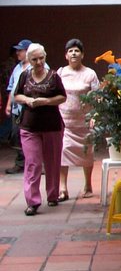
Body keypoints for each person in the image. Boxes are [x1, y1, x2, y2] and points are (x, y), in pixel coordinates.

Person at [12, 43, 66, 215]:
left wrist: (46, 101)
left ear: (45, 56)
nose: (38, 62)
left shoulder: (54, 76)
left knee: (52, 162)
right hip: (29, 126)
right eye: (34, 59)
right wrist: (27, 100)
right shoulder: (24, 75)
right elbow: (17, 95)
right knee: (33, 163)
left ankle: (52, 195)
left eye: (41, 58)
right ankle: (33, 201)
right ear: (29, 60)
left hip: (52, 126)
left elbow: (62, 97)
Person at [58, 39, 99, 200]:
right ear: (66, 55)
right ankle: (62, 188)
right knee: (62, 152)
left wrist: (95, 115)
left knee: (87, 153)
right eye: (70, 51)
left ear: (82, 54)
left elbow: (97, 97)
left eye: (77, 51)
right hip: (64, 121)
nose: (73, 53)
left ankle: (88, 186)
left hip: (84, 122)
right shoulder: (60, 73)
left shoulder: (90, 74)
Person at [5, 39, 37, 174]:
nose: (17, 53)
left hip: (30, 108)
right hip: (16, 108)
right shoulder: (17, 68)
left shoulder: (37, 64)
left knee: (33, 136)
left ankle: (36, 164)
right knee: (16, 135)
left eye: (20, 50)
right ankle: (20, 162)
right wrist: (8, 105)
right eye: (17, 50)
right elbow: (11, 88)